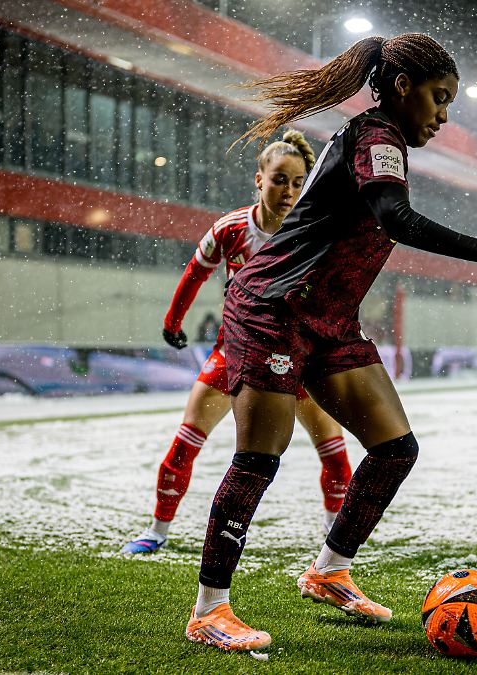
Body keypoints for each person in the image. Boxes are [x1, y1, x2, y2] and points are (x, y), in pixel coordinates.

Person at [183, 33, 477, 651]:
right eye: (438, 98)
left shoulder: (383, 138)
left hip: (329, 320)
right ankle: (209, 610)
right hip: (275, 308)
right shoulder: (377, 134)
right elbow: (394, 219)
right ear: (402, 87)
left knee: (395, 449)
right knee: (258, 460)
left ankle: (328, 570)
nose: (443, 115)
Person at [121, 131, 354, 555]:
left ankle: (335, 541)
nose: (289, 191)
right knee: (186, 441)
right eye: (280, 180)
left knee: (334, 453)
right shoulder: (229, 229)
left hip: (298, 356)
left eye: (299, 182)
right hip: (236, 352)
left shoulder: (315, 232)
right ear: (259, 180)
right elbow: (195, 272)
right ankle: (156, 531)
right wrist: (173, 322)